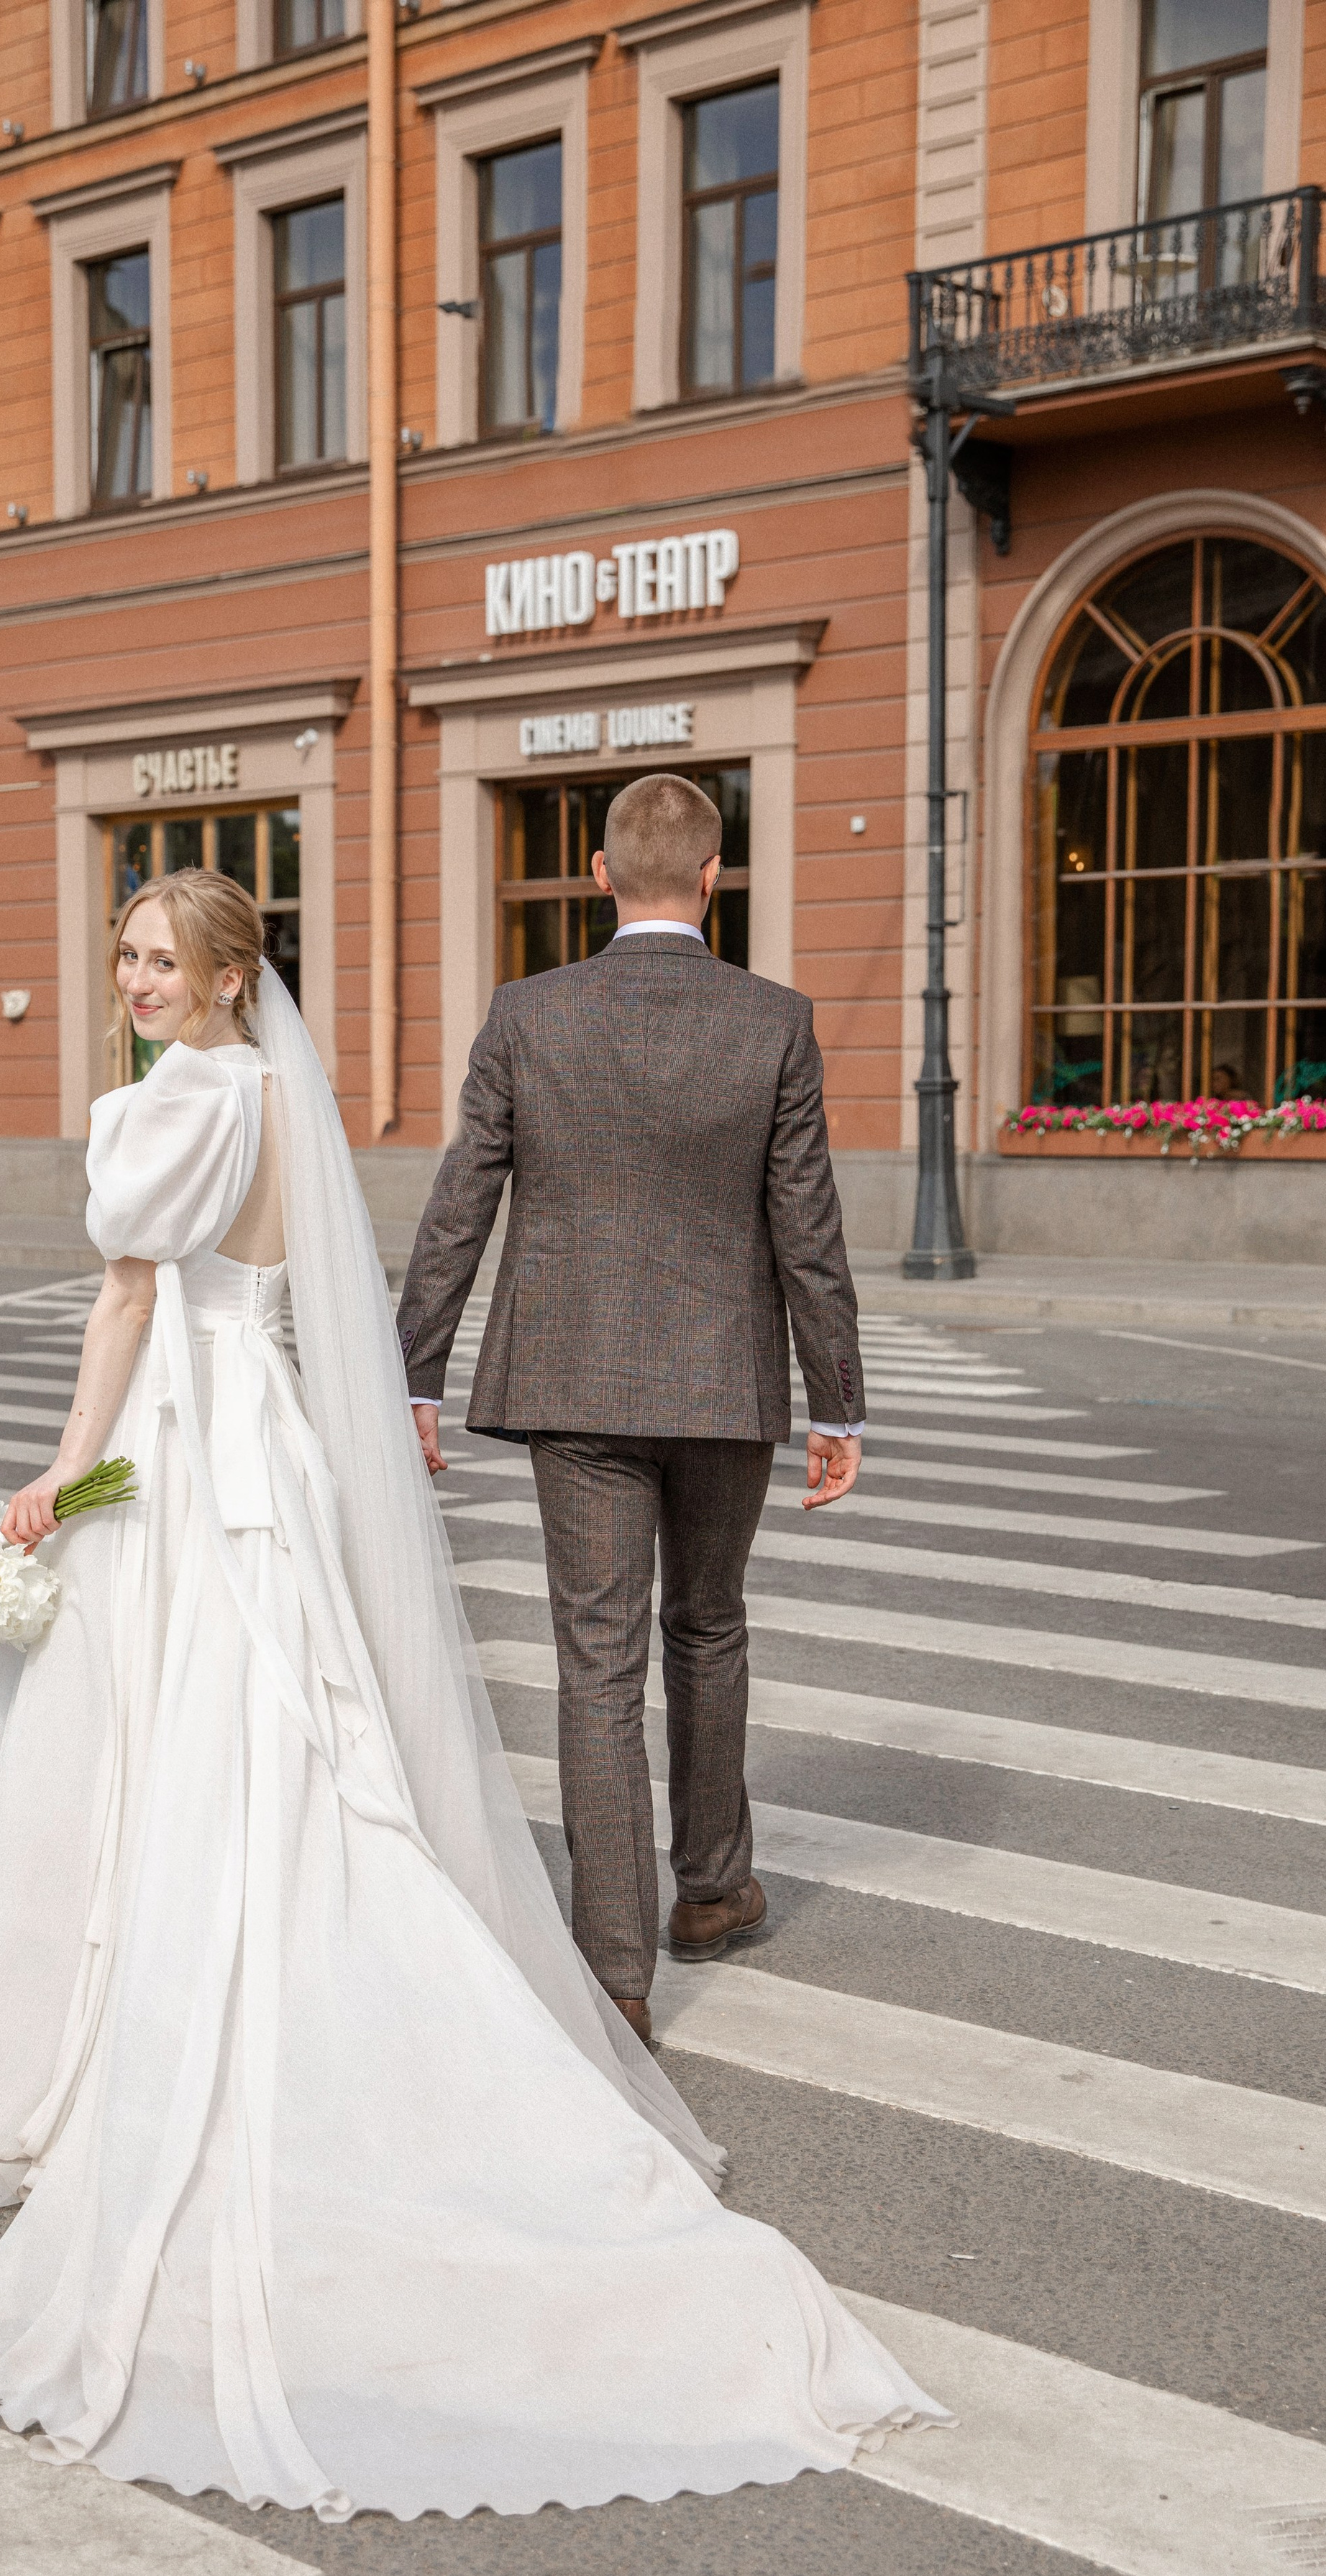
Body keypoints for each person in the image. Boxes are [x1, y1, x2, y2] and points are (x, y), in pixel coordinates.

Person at [0, 866, 943, 2524]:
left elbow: (127, 1301)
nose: (130, 979)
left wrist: (58, 1480)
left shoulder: (176, 1106)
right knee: (280, 1727)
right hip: (260, 1442)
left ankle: (83, 2031)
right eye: (120, 954)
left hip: (185, 1452)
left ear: (219, 982)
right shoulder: (276, 1097)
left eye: (156, 961)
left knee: (155, 1728)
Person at [396, 774, 864, 2045]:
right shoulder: (774, 1022)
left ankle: (617, 1973)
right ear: (717, 878)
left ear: (599, 877)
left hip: (576, 1383)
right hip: (724, 1385)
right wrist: (840, 1405)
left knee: (598, 1661)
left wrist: (413, 1374)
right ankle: (711, 1889)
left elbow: (462, 1201)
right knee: (708, 1627)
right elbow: (805, 1228)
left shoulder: (528, 1015)